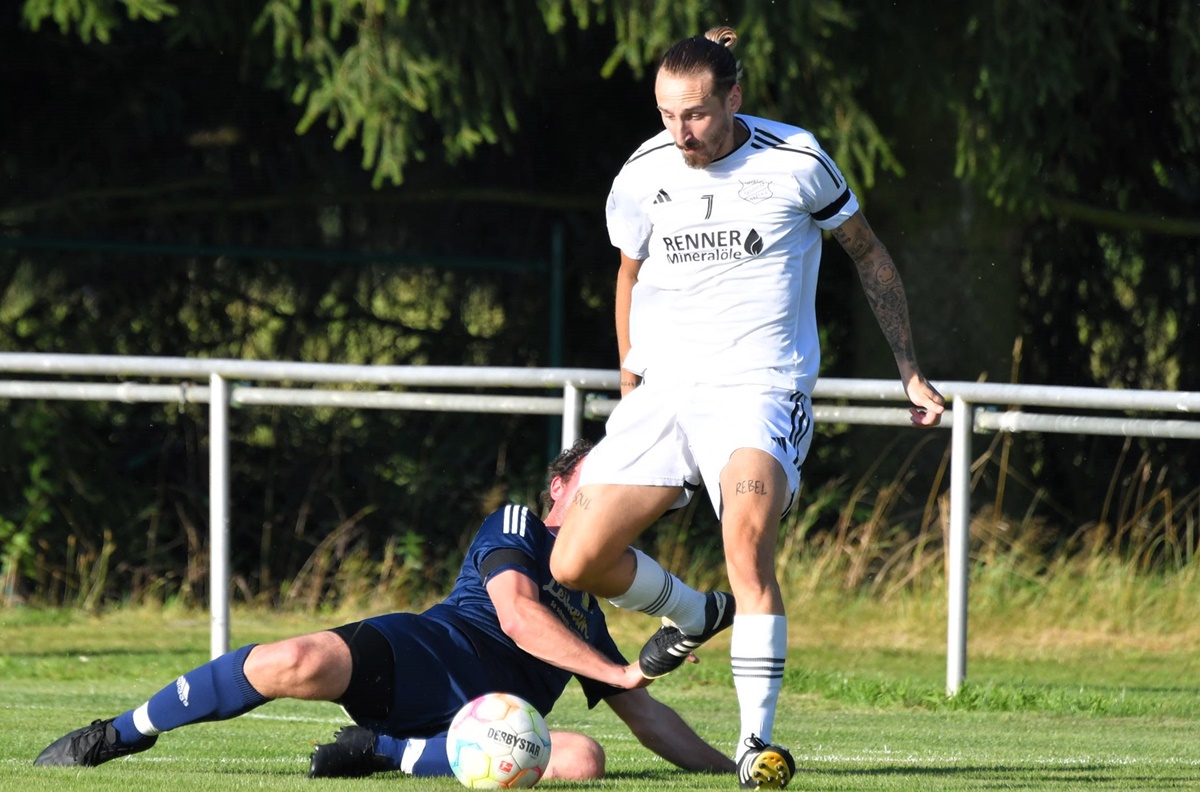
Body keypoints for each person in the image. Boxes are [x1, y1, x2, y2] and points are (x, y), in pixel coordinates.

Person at [548, 25, 946, 790]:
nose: (681, 132)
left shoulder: (796, 160)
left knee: (747, 542)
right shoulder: (643, 171)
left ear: (735, 97)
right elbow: (629, 274)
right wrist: (631, 382)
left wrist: (909, 371)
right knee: (575, 560)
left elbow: (867, 253)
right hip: (664, 392)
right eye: (668, 115)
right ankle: (695, 614)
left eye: (697, 114)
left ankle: (753, 744)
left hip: (760, 388)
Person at [33, 439, 736, 781]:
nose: (609, 494)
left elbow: (647, 717)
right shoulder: (519, 525)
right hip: (418, 657)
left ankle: (383, 751)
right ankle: (116, 734)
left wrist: (728, 768)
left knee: (580, 760)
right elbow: (519, 615)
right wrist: (620, 672)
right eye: (596, 477)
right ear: (559, 487)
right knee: (291, 660)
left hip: (474, 724)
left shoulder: (590, 618)